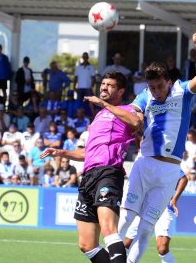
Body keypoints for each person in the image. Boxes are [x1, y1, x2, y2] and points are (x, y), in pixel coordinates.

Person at [117, 21, 196, 262]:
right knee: (126, 219)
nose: (157, 91)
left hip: (170, 170)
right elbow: (134, 114)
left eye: (160, 86)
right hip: (145, 164)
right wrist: (136, 117)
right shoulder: (145, 95)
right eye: (152, 87)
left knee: (146, 230)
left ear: (168, 81)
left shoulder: (182, 91)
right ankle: (106, 257)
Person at [40, 70, 141, 263]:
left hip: (108, 172)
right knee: (86, 245)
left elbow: (136, 122)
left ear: (120, 91)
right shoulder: (98, 117)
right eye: (103, 84)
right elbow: (88, 153)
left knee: (109, 230)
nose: (104, 87)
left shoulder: (127, 110)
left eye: (110, 85)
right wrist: (61, 152)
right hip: (88, 176)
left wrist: (104, 103)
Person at [124, 172, 188, 263]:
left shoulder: (168, 162)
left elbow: (184, 178)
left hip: (165, 207)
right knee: (127, 243)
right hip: (144, 206)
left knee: (162, 248)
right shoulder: (145, 161)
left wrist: (174, 199)